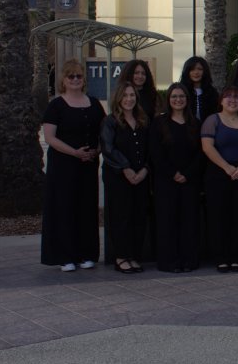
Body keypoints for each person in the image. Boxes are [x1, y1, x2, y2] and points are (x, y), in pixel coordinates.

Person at [41, 59, 105, 272]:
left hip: (88, 166)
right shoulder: (56, 106)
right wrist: (75, 153)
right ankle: (65, 256)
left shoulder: (94, 104)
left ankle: (86, 254)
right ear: (64, 80)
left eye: (79, 76)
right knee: (64, 209)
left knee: (86, 209)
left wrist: (96, 150)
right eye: (71, 76)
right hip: (63, 167)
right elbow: (50, 138)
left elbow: (103, 133)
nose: (75, 80)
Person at [201, 86, 238, 273]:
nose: (233, 100)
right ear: (221, 100)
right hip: (219, 174)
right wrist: (227, 167)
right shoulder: (213, 120)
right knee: (219, 217)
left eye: (237, 97)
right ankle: (221, 257)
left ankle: (236, 257)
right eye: (228, 97)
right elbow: (207, 147)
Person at [149, 83, 204, 273]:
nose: (178, 100)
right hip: (166, 181)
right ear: (169, 99)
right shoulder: (159, 122)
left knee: (189, 222)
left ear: (187, 100)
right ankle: (169, 261)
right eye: (174, 96)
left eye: (181, 96)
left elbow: (200, 153)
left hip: (190, 181)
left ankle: (189, 260)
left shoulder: (195, 124)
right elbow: (156, 153)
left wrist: (186, 174)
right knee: (167, 222)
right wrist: (173, 173)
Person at [100, 82, 150, 273]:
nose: (129, 99)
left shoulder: (142, 120)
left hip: (141, 176)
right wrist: (126, 169)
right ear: (118, 98)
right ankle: (121, 256)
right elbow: (108, 149)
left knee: (138, 216)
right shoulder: (110, 121)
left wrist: (145, 169)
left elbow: (148, 148)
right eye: (125, 96)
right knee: (121, 217)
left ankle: (134, 256)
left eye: (132, 96)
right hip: (119, 177)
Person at [179, 56, 219, 122]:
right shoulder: (181, 91)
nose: (196, 72)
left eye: (200, 69)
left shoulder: (212, 92)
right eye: (192, 69)